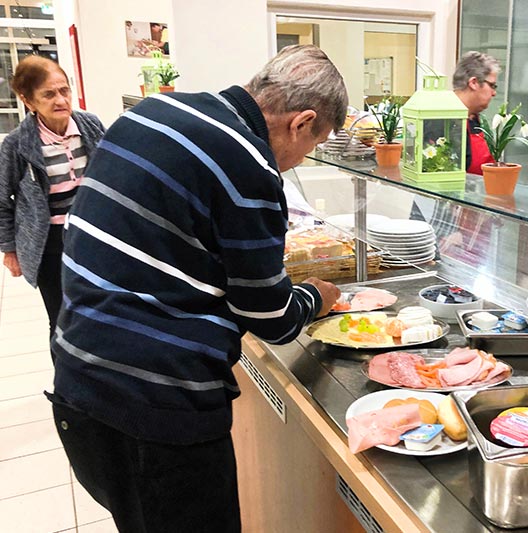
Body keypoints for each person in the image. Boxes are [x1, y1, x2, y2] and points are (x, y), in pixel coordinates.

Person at [48, 44, 345, 532]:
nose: (297, 162)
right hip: (158, 408)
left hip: (79, 379)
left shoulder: (154, 109)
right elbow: (270, 318)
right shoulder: (248, 162)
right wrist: (317, 296)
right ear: (300, 121)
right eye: (312, 145)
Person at [0, 55, 105, 344]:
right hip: (50, 242)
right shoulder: (17, 144)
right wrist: (10, 250)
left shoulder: (90, 126)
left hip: (92, 234)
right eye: (48, 94)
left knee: (100, 311)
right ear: (28, 101)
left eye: (64, 90)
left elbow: (110, 173)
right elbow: (1, 201)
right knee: (62, 318)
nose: (60, 100)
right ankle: (68, 386)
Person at [453, 51, 500, 175]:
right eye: (492, 85)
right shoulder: (443, 121)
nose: (494, 93)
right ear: (473, 83)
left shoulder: (477, 120)